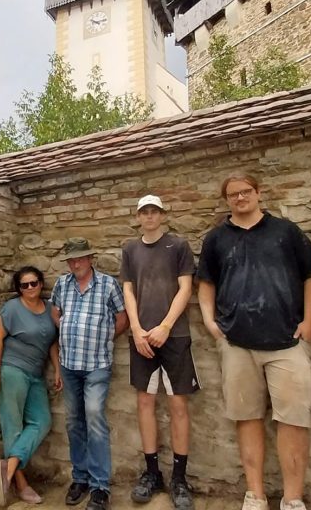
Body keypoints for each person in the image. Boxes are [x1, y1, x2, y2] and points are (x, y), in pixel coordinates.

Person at [195, 172, 311, 510]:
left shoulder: (286, 232)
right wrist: (210, 323)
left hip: (287, 341)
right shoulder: (216, 239)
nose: (240, 198)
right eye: (233, 194)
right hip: (237, 344)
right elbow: (205, 284)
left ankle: (292, 499)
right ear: (226, 200)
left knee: (294, 420)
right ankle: (255, 495)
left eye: (246, 191)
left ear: (258, 192)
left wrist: (310, 321)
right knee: (246, 417)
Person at [121, 195, 198, 510]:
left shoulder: (178, 246)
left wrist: (165, 326)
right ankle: (152, 473)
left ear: (162, 215)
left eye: (154, 211)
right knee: (144, 402)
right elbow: (128, 290)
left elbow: (186, 288)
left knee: (178, 404)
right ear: (138, 216)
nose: (149, 216)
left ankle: (179, 478)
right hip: (140, 337)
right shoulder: (130, 249)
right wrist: (136, 329)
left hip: (174, 335)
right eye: (144, 212)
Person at [51, 238, 129, 510]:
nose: (76, 264)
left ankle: (100, 487)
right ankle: (80, 478)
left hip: (97, 364)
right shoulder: (62, 284)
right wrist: (66, 331)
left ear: (90, 258)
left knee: (94, 417)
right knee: (74, 422)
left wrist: (104, 338)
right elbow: (55, 312)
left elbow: (122, 318)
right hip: (69, 364)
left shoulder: (107, 284)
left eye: (80, 259)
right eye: (71, 260)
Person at [0, 266, 61, 507]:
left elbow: (51, 342)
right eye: (24, 285)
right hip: (12, 371)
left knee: (42, 421)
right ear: (19, 288)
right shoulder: (12, 308)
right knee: (13, 427)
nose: (30, 288)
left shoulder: (50, 308)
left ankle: (7, 468)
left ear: (41, 283)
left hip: (36, 375)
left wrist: (57, 368)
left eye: (34, 283)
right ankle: (20, 484)